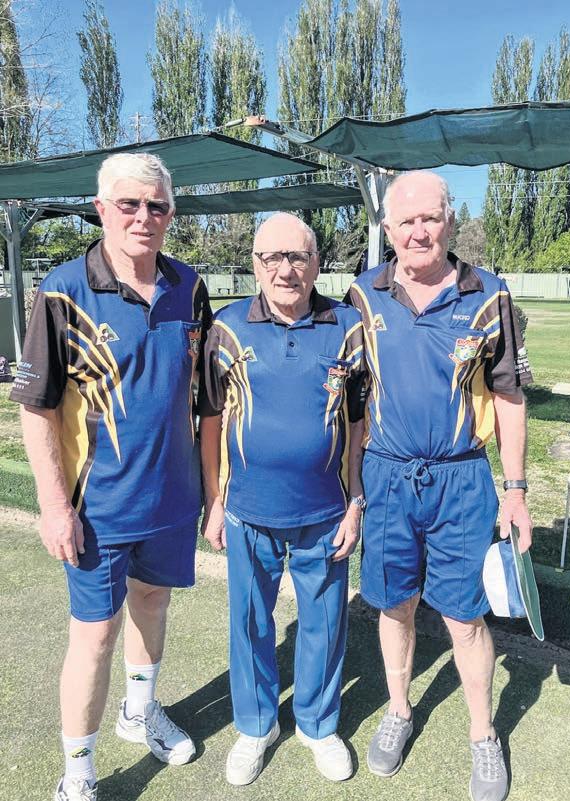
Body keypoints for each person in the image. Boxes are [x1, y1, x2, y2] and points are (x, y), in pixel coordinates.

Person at [10, 153, 212, 801]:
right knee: (95, 635)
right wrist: (53, 506)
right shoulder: (63, 290)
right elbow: (36, 408)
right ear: (101, 209)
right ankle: (78, 771)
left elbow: (204, 398)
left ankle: (138, 712)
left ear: (170, 214)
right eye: (129, 203)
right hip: (97, 508)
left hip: (173, 500)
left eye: (157, 205)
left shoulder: (190, 286)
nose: (143, 216)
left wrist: (211, 493)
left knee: (153, 603)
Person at [347, 171, 533, 801]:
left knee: (464, 615)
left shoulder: (489, 294)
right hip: (387, 475)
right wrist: (351, 485)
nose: (419, 231)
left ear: (451, 220)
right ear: (388, 229)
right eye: (407, 221)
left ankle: (483, 734)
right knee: (393, 604)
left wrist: (515, 489)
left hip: (460, 478)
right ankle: (398, 710)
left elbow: (510, 397)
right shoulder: (363, 294)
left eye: (431, 217)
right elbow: (350, 398)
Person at [200, 213, 365, 786]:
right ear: (255, 265)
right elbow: (210, 420)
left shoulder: (347, 327)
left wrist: (356, 503)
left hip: (326, 510)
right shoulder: (227, 328)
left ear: (316, 263)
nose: (284, 269)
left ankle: (318, 725)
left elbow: (360, 425)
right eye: (271, 257)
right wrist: (213, 500)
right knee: (250, 621)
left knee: (324, 621)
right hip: (248, 508)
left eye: (296, 256)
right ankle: (256, 725)